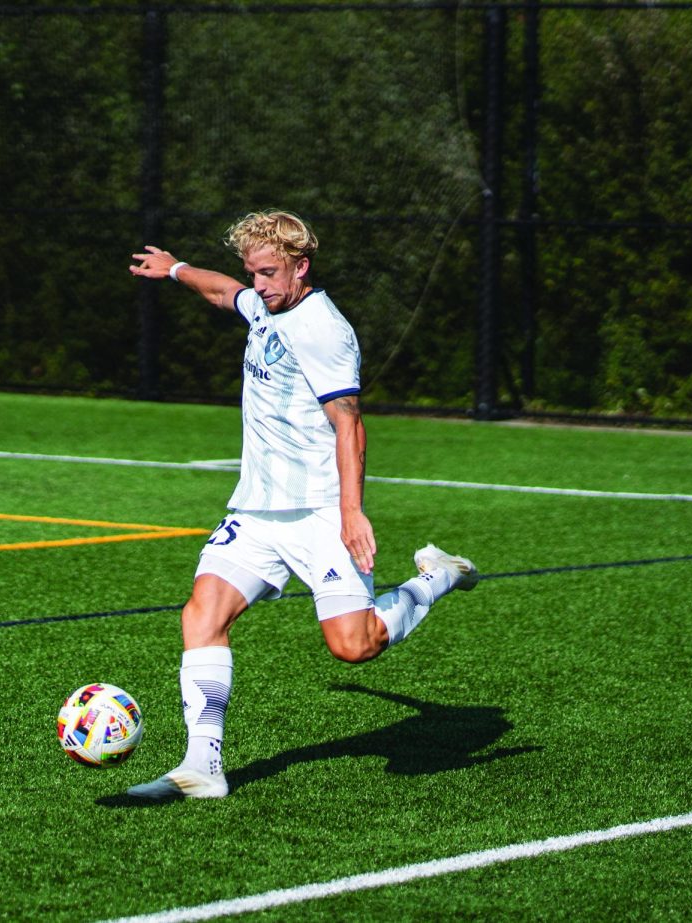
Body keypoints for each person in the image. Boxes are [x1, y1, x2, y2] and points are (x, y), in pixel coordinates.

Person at [126, 210, 478, 800]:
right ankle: (201, 768)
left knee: (354, 645)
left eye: (269, 273)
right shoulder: (266, 302)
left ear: (300, 266)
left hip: (318, 510)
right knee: (202, 616)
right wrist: (175, 270)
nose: (258, 285)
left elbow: (350, 426)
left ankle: (435, 578)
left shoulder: (323, 330)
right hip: (257, 511)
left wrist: (351, 512)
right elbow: (223, 293)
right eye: (254, 273)